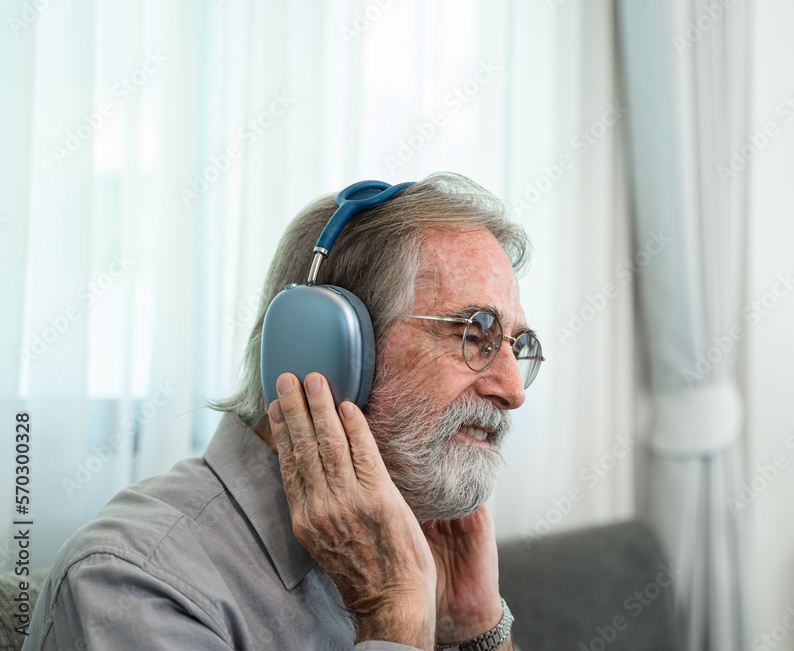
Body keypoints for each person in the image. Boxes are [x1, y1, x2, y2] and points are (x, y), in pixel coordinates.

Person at [25, 173, 542, 650]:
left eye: (516, 345)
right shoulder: (134, 578)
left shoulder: (422, 550)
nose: (514, 389)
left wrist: (477, 629)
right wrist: (394, 615)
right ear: (327, 352)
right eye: (475, 334)